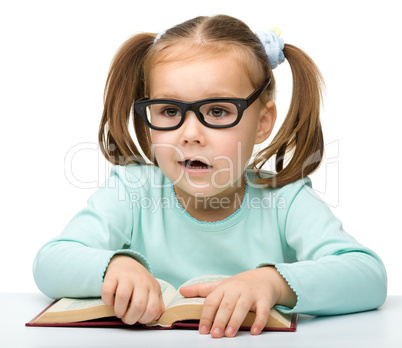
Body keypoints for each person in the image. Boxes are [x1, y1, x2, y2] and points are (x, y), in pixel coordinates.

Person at [33, 14, 387, 338]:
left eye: (217, 111)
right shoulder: (131, 190)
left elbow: (368, 276)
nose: (190, 134)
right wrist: (114, 266)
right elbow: (50, 262)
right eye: (170, 110)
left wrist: (274, 283)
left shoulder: (285, 199)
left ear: (262, 122)